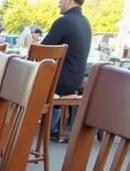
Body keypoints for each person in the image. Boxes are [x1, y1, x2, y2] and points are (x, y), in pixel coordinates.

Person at [42, 0, 91, 137]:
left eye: (60, 1)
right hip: (74, 80)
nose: (58, 3)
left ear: (69, 1)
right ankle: (50, 126)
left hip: (59, 82)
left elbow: (41, 51)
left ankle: (18, 127)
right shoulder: (85, 22)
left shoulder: (64, 22)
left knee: (18, 82)